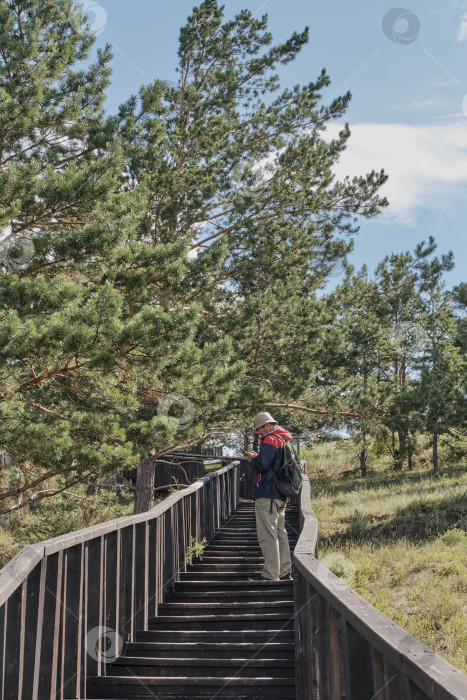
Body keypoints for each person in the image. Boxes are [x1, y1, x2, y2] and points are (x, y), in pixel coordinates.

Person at [244, 412, 292, 582]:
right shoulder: (283, 439)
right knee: (280, 533)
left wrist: (252, 459)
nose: (259, 434)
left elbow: (263, 465)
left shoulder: (271, 439)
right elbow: (273, 463)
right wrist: (259, 458)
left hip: (268, 494)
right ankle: (284, 572)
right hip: (280, 494)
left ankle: (270, 573)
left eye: (259, 431)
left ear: (266, 425)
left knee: (267, 534)